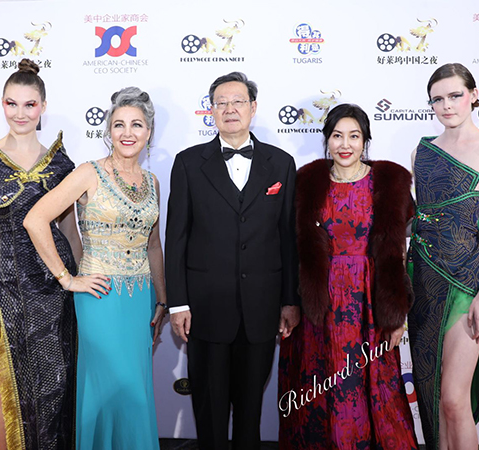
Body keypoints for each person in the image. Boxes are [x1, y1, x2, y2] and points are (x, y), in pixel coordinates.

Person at [24, 87, 166, 449]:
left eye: (136, 124)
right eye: (119, 124)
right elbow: (36, 219)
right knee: (111, 388)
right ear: (109, 131)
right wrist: (67, 279)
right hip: (99, 295)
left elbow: (153, 245)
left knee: (137, 391)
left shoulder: (152, 183)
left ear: (149, 131)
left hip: (141, 299)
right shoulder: (89, 173)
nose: (127, 132)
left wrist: (163, 300)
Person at [165, 71, 300, 450]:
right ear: (210, 110)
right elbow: (176, 239)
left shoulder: (281, 163)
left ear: (253, 108)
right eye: (221, 102)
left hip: (262, 308)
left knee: (250, 411)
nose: (230, 109)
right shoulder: (188, 163)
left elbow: (288, 238)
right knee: (209, 413)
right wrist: (178, 303)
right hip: (205, 308)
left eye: (238, 101)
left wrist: (290, 300)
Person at [278, 103, 419, 449]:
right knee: (320, 390)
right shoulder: (306, 183)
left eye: (354, 136)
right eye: (337, 136)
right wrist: (289, 303)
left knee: (373, 390)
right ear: (326, 140)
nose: (345, 144)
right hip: (319, 307)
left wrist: (397, 313)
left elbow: (397, 254)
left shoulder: (390, 183)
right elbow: (292, 249)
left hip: (370, 305)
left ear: (365, 140)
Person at [0, 58, 82, 449]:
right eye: (12, 103)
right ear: (2, 104)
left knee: (58, 385)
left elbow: (69, 232)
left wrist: (78, 285)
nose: (20, 113)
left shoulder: (60, 162)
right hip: (9, 289)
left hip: (56, 288)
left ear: (43, 106)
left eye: (29, 104)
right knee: (13, 392)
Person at [408, 63, 479, 450]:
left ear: (473, 94)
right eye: (437, 99)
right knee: (434, 398)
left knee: (455, 400)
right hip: (423, 283)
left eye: (455, 95)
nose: (447, 105)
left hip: (468, 284)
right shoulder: (421, 152)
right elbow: (420, 219)